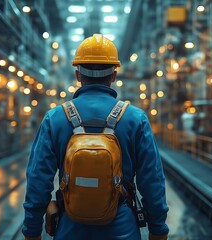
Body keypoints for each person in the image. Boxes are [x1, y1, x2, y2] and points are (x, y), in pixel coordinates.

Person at [23, 34, 169, 240]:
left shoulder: (55, 118)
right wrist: (158, 229)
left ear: (77, 75)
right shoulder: (136, 119)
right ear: (114, 75)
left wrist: (31, 231)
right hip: (122, 229)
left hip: (70, 228)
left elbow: (38, 180)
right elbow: (152, 180)